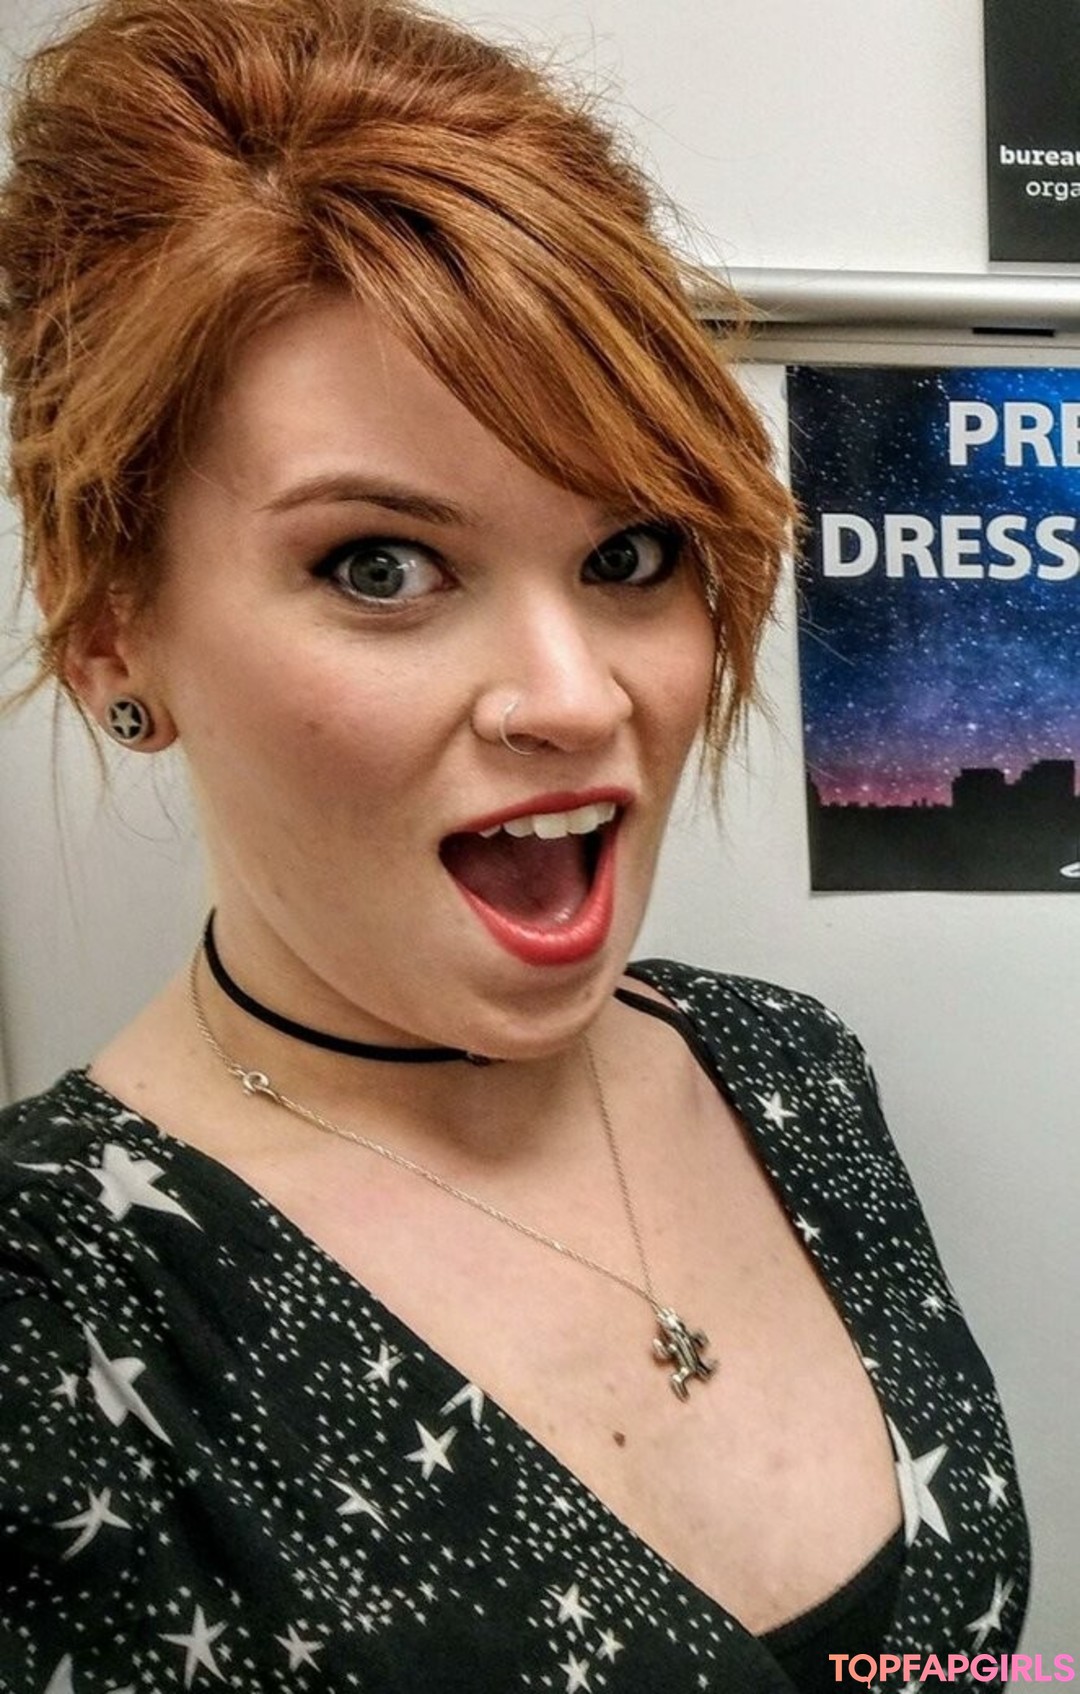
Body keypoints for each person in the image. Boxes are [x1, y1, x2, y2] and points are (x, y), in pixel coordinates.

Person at [0, 0, 1028, 1688]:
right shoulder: (56, 1325)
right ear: (113, 623)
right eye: (381, 566)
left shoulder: (791, 1081)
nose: (574, 697)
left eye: (630, 553)